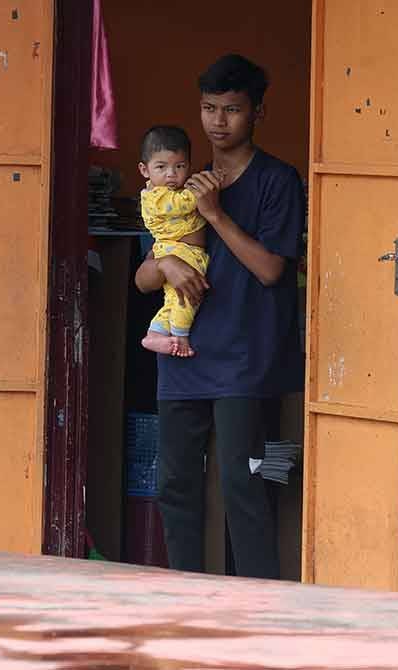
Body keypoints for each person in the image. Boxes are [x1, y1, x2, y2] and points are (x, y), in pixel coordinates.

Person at [134, 54, 305, 579]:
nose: (218, 122)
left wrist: (215, 215)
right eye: (209, 108)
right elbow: (142, 279)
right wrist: (163, 261)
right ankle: (183, 599)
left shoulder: (277, 180)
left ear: (258, 112)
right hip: (184, 355)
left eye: (232, 109)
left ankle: (256, 609)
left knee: (244, 483)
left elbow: (272, 270)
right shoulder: (176, 183)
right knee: (176, 485)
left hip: (247, 357)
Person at [137, 126, 213, 358]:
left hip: (180, 250)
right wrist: (206, 187)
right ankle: (180, 337)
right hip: (179, 252)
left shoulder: (170, 190)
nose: (171, 174)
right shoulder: (156, 196)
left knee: (172, 300)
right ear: (144, 170)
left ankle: (155, 333)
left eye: (179, 167)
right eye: (161, 167)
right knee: (187, 295)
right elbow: (182, 204)